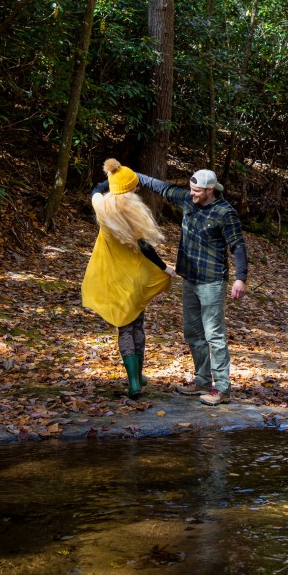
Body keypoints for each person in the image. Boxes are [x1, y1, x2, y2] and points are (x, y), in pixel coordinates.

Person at [136, 167, 247, 406]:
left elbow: (237, 245)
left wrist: (241, 278)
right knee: (193, 332)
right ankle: (202, 381)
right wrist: (134, 175)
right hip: (190, 278)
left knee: (214, 335)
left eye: (196, 190)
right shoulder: (188, 199)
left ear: (210, 190)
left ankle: (222, 388)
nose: (192, 193)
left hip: (212, 281)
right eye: (191, 189)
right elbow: (162, 187)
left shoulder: (225, 213)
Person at [81, 159, 175, 399]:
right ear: (128, 189)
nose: (137, 188)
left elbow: (96, 189)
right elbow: (145, 248)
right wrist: (164, 267)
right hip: (135, 279)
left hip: (113, 279)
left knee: (124, 329)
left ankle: (133, 381)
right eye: (134, 186)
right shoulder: (133, 214)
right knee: (137, 325)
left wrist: (111, 180)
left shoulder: (101, 206)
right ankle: (138, 377)